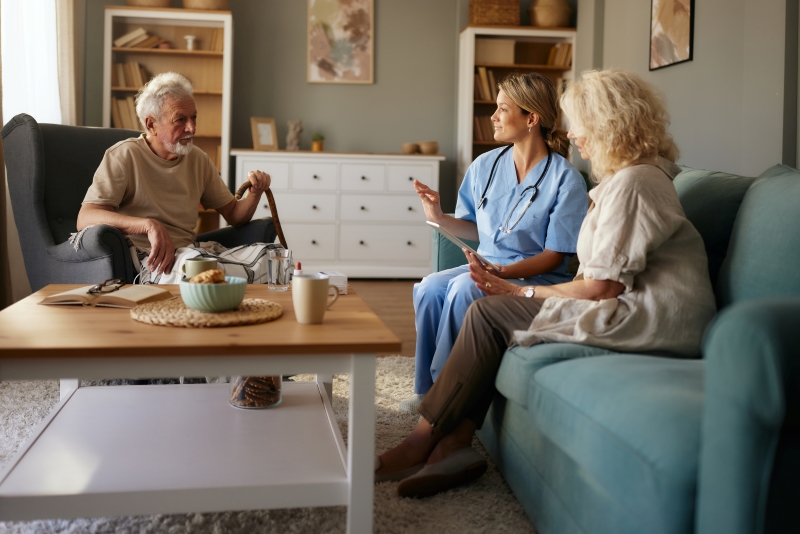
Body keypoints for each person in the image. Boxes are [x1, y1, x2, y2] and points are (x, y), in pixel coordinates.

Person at [376, 69, 717, 497]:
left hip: (645, 316)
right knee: (468, 302)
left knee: (485, 310)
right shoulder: (623, 180)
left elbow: (599, 287)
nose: (572, 134)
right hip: (622, 303)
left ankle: (423, 439)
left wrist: (519, 290)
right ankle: (452, 444)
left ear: (610, 124)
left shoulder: (632, 184)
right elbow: (599, 278)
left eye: (580, 123)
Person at [400, 72, 588, 414]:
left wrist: (503, 272)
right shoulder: (485, 165)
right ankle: (423, 389)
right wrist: (439, 216)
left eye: (503, 109)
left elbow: (553, 256)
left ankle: (445, 394)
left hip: (535, 275)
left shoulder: (566, 180)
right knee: (429, 287)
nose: (493, 116)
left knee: (462, 288)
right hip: (489, 263)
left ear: (531, 118)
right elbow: (475, 226)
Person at [76, 72, 273, 283]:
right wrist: (148, 225)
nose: (192, 128)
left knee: (273, 257)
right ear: (151, 125)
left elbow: (234, 214)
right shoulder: (124, 155)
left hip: (190, 252)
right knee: (200, 268)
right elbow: (85, 218)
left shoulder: (199, 159)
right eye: (180, 119)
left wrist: (255, 192)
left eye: (194, 117)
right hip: (150, 259)